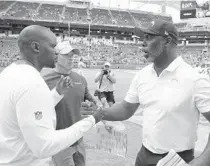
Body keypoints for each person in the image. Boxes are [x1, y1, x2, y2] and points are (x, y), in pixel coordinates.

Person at [84, 20, 210, 166]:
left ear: (167, 41)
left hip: (179, 159)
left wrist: (203, 161)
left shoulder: (194, 79)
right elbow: (126, 109)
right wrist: (97, 113)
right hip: (144, 155)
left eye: (148, 38)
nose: (142, 44)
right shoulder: (142, 75)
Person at [0, 25, 104, 166]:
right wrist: (91, 121)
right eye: (53, 47)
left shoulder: (10, 73)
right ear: (36, 47)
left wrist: (56, 94)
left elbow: (27, 110)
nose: (56, 52)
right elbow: (44, 146)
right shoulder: (32, 82)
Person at [42, 41, 97, 166]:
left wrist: (92, 107)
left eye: (73, 55)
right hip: (59, 142)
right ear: (56, 56)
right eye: (67, 54)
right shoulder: (45, 80)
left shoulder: (80, 79)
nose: (72, 58)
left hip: (79, 141)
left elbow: (92, 103)